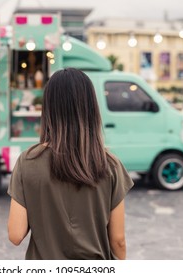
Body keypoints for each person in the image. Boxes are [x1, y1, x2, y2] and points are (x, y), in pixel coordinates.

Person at [7, 68, 134, 260]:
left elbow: (15, 235)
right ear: (91, 108)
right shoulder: (110, 165)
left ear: (48, 109)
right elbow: (118, 241)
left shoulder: (28, 162)